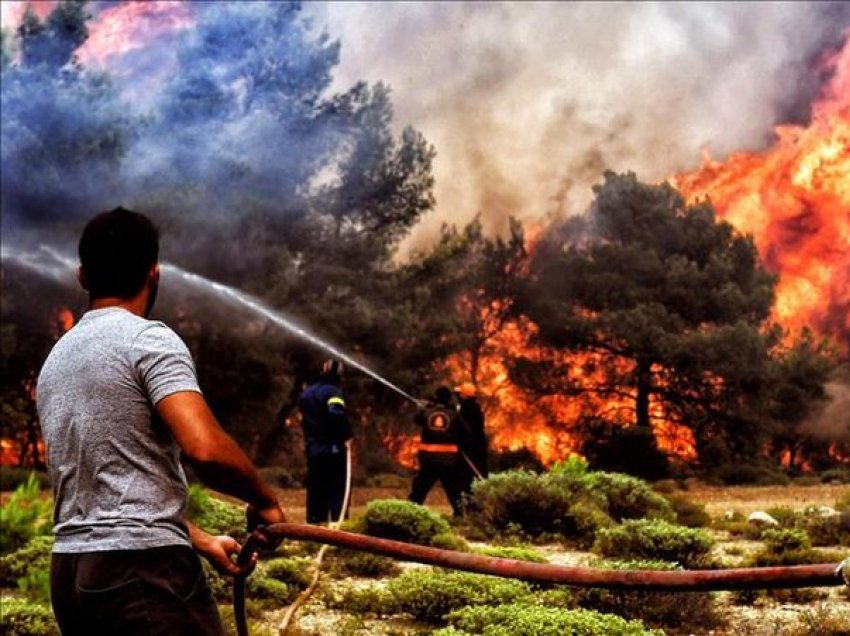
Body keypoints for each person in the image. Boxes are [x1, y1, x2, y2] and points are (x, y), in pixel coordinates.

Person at [36, 207, 286, 636]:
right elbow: (205, 450)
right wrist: (264, 500)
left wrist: (200, 538)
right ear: (155, 273)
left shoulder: (57, 360)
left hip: (72, 575)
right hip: (142, 572)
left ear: (82, 276)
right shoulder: (148, 339)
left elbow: (108, 494)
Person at [298, 359, 353, 524]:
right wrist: (346, 436)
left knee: (315, 487)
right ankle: (338, 525)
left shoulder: (307, 393)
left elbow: (304, 418)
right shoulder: (333, 392)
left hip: (313, 448)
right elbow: (336, 414)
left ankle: (315, 523)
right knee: (337, 489)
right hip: (332, 448)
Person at [408, 386, 466, 517]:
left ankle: (409, 512)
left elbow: (416, 419)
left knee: (420, 489)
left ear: (435, 397)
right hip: (448, 461)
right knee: (453, 490)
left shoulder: (426, 412)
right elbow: (465, 431)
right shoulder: (453, 414)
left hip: (428, 460)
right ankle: (459, 514)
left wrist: (422, 408)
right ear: (449, 399)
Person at [455, 382, 488, 487]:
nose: (457, 396)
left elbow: (461, 428)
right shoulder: (476, 408)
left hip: (468, 448)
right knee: (479, 473)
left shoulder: (465, 410)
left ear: (464, 396)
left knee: (469, 476)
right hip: (478, 446)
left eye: (459, 394)